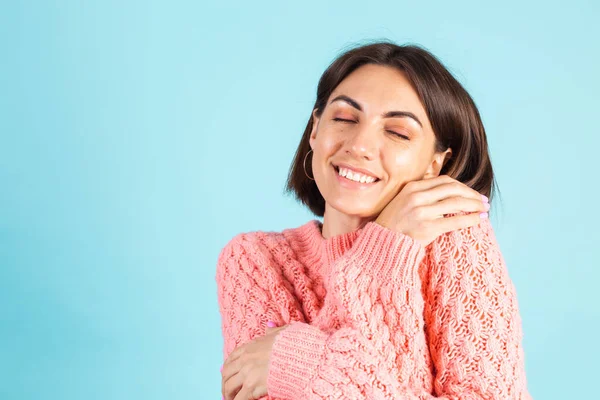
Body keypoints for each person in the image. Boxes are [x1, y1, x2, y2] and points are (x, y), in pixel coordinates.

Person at [216, 40, 532, 400]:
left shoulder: (457, 238)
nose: (360, 145)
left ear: (435, 164)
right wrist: (381, 253)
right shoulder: (255, 261)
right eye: (345, 118)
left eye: (397, 132)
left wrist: (303, 363)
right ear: (315, 131)